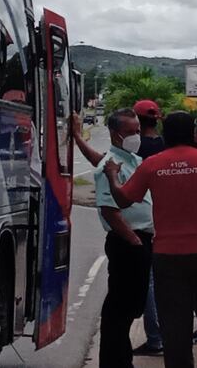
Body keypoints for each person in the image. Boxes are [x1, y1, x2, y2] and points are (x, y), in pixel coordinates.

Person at [103, 111, 197, 368]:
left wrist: (113, 176)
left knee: (173, 317)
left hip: (167, 257)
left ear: (165, 135)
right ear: (193, 134)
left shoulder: (152, 164)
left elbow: (123, 199)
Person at [72, 109, 154, 367]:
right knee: (121, 309)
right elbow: (109, 208)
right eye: (131, 132)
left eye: (138, 131)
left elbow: (99, 159)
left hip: (139, 240)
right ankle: (115, 362)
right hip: (128, 243)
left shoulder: (128, 159)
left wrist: (76, 137)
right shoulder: (111, 165)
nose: (136, 136)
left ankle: (120, 359)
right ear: (115, 134)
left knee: (130, 307)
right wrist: (134, 241)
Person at [131, 99, 166, 354]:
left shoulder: (135, 150)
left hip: (143, 222)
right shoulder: (166, 147)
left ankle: (155, 339)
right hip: (168, 220)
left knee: (150, 282)